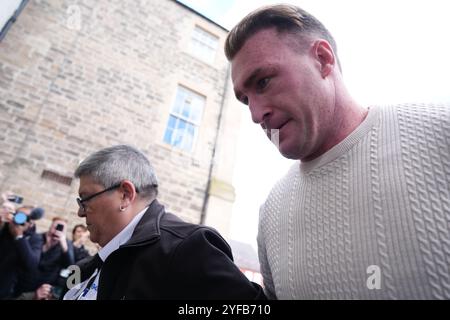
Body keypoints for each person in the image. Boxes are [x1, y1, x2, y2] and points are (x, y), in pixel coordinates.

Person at [225, 4, 450, 299]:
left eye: (263, 82)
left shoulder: (439, 131)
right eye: (245, 100)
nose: (255, 114)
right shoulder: (271, 213)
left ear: (322, 59)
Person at [64, 144, 265, 300]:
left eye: (86, 199)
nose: (80, 212)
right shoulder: (87, 267)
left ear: (125, 195)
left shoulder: (187, 248)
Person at [0, 205, 44, 299]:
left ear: (31, 222)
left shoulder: (35, 239)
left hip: (5, 289)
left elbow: (32, 264)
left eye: (23, 217)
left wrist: (19, 237)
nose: (18, 219)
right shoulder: (5, 227)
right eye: (17, 215)